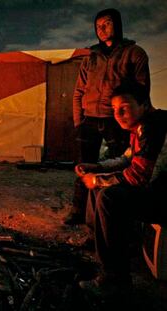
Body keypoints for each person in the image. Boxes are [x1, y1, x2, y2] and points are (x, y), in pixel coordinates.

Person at [76, 81, 167, 297]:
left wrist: (97, 181)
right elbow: (127, 159)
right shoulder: (140, 127)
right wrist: (96, 168)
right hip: (156, 190)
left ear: (144, 104)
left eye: (124, 108)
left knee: (109, 197)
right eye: (115, 109)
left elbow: (138, 176)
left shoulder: (155, 127)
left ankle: (115, 280)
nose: (118, 114)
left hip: (163, 196)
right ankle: (102, 245)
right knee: (102, 188)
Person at [64, 8, 151, 225]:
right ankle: (79, 211)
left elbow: (141, 90)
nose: (102, 29)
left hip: (117, 120)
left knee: (119, 165)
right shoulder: (90, 58)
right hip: (89, 120)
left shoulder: (134, 53)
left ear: (118, 25)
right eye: (98, 26)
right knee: (84, 165)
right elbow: (78, 92)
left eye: (107, 24)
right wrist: (78, 121)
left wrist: (134, 122)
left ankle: (114, 215)